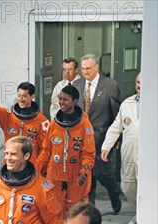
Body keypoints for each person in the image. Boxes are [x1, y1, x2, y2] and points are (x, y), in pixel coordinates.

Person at [73, 54, 122, 212]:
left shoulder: (110, 85)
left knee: (102, 174)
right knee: (87, 175)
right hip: (81, 140)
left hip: (101, 139)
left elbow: (117, 114)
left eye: (88, 68)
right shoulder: (77, 84)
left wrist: (117, 138)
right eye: (83, 68)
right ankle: (90, 209)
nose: (85, 71)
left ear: (96, 68)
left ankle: (114, 192)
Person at [37, 85, 95, 214]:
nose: (61, 102)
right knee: (53, 207)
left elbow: (88, 153)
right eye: (60, 99)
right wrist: (37, 169)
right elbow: (46, 150)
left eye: (66, 99)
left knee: (75, 209)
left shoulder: (85, 125)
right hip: (55, 172)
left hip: (76, 174)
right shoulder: (54, 124)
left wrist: (84, 171)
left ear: (74, 101)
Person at [0, 81, 49, 164]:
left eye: (24, 96)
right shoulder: (8, 116)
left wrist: (38, 168)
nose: (21, 99)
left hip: (29, 166)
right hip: (10, 163)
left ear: (32, 96)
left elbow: (44, 149)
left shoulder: (41, 121)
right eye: (19, 96)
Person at [101, 72, 141, 205]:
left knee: (148, 185)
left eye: (142, 83)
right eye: (137, 82)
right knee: (127, 186)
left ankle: (146, 214)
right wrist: (106, 146)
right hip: (129, 153)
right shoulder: (127, 103)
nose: (139, 86)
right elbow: (115, 127)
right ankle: (140, 209)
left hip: (149, 156)